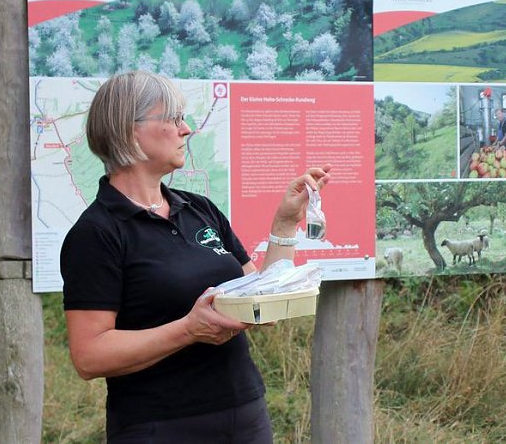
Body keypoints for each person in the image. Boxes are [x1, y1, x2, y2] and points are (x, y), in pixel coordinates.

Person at [60, 70, 331, 443]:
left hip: (243, 413)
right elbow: (89, 356)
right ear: (129, 130)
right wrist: (188, 330)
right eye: (172, 119)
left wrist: (284, 224)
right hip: (160, 425)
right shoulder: (97, 232)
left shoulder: (198, 209)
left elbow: (258, 301)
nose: (186, 129)